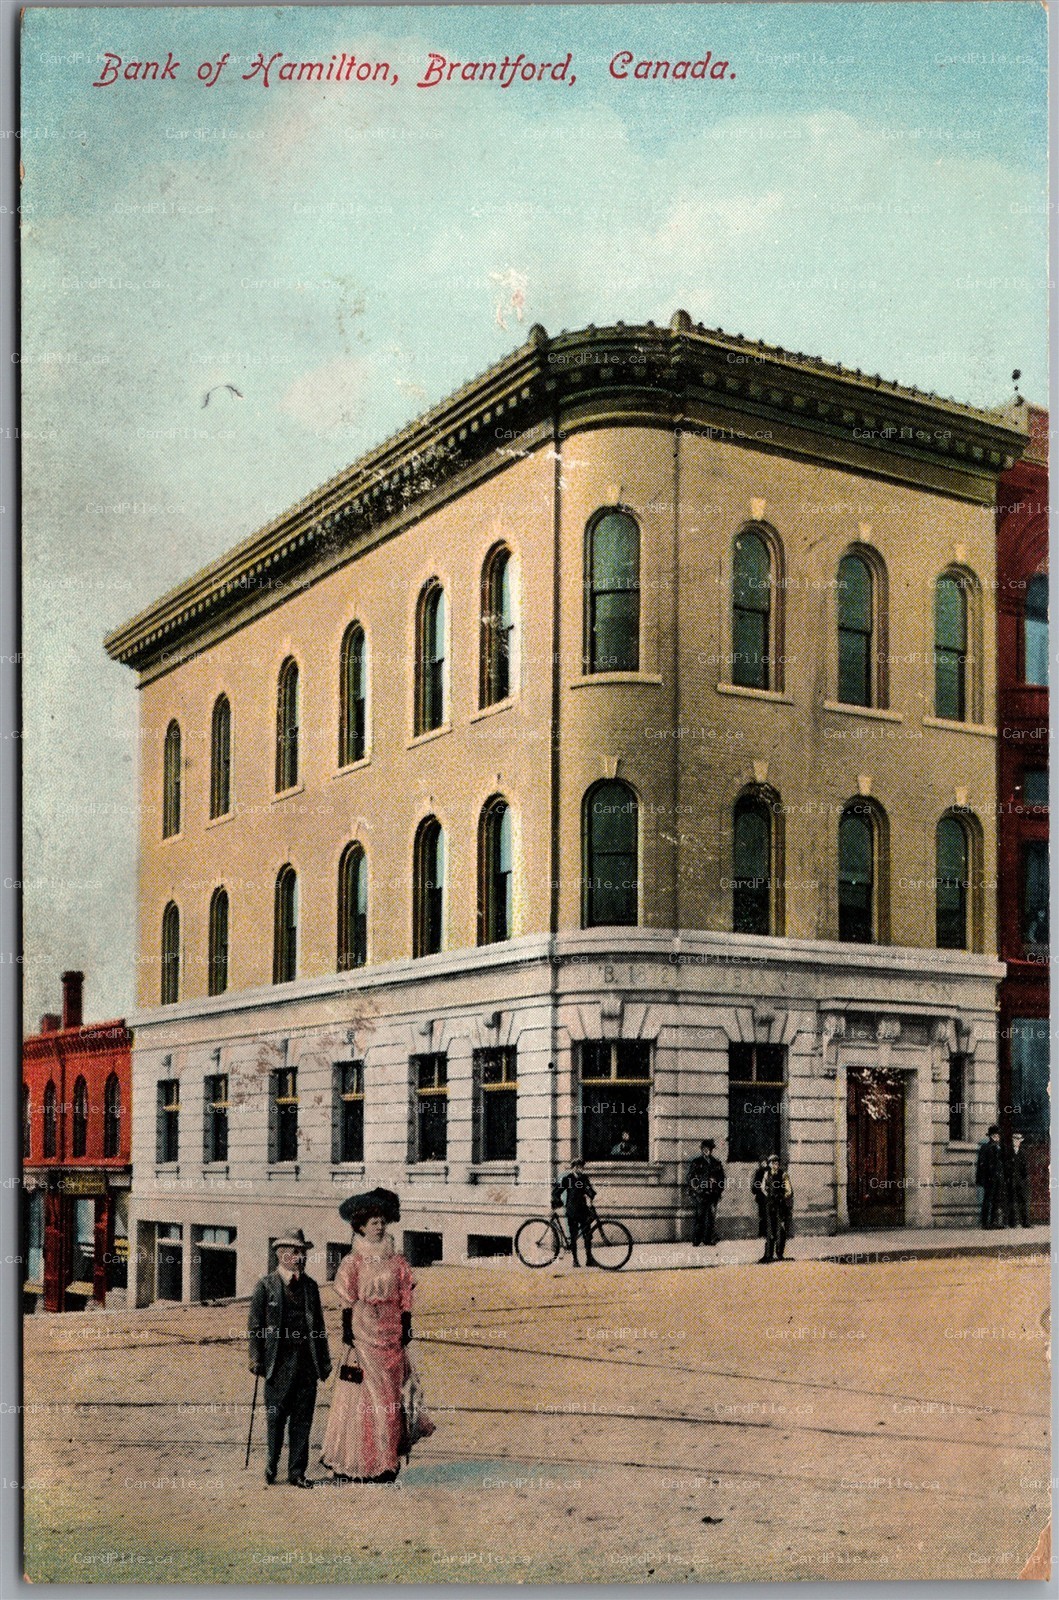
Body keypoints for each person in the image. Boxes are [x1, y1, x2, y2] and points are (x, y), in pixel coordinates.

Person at [321, 1190, 431, 1484]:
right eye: (373, 1223)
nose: (379, 1227)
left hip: (391, 1334)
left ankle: (386, 1463)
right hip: (363, 1331)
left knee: (389, 1399)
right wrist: (347, 1333)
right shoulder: (353, 1262)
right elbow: (347, 1301)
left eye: (382, 1222)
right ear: (360, 1227)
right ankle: (359, 1461)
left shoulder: (397, 1262)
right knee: (362, 1398)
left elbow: (405, 1297)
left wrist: (406, 1326)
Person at [248, 1226, 332, 1488]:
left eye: (302, 1252)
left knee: (302, 1419)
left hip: (307, 1364)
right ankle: (271, 1465)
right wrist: (255, 1358)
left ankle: (297, 1472)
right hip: (277, 1363)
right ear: (281, 1254)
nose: (300, 1257)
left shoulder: (310, 1287)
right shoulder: (266, 1286)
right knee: (276, 1417)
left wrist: (325, 1361)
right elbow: (255, 1326)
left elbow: (318, 1327)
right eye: (295, 1252)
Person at [557, 1158, 596, 1267]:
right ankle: (575, 1260)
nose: (581, 1169)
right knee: (573, 1236)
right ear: (573, 1167)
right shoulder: (568, 1179)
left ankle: (589, 1259)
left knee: (587, 1235)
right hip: (572, 1211)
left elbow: (589, 1189)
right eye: (579, 1166)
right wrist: (558, 1202)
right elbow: (556, 1192)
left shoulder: (584, 1178)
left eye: (582, 1166)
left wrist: (591, 1194)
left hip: (583, 1210)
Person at [686, 1139, 726, 1246]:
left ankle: (708, 1239)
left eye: (708, 1149)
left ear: (711, 1150)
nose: (706, 1151)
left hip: (713, 1194)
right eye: (704, 1149)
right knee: (700, 1216)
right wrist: (697, 1189)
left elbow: (721, 1179)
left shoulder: (716, 1163)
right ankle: (696, 1240)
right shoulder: (696, 1162)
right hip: (701, 1194)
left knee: (711, 1217)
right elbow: (691, 1177)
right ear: (702, 1150)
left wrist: (718, 1191)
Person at [759, 1156, 793, 1264]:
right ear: (770, 1164)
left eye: (776, 1163)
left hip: (779, 1205)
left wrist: (781, 1197)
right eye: (773, 1163)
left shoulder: (783, 1174)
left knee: (779, 1230)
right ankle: (768, 1255)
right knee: (770, 1229)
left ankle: (779, 1253)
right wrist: (768, 1195)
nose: (775, 1165)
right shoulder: (767, 1174)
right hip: (770, 1205)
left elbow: (789, 1191)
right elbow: (762, 1187)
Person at [975, 1124, 1005, 1229]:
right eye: (995, 1135)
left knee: (996, 1200)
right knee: (987, 1200)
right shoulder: (986, 1147)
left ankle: (993, 1222)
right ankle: (985, 1223)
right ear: (991, 1136)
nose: (997, 1137)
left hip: (998, 1178)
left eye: (998, 1135)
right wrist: (982, 1179)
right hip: (989, 1179)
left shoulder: (999, 1147)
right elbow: (982, 1164)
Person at [1005, 1131, 1031, 1227]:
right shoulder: (1008, 1152)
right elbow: (1006, 1166)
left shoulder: (1022, 1152)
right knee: (1011, 1201)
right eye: (1015, 1140)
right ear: (1012, 1141)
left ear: (1020, 1141)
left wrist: (1024, 1180)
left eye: (1018, 1140)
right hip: (1011, 1180)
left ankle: (1025, 1223)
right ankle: (1012, 1223)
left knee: (1023, 1201)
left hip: (1020, 1181)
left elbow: (1025, 1168)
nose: (1016, 1142)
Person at [750, 1157, 770, 1240]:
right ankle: (762, 1232)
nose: (763, 1164)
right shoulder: (758, 1172)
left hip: (769, 1196)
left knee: (769, 1214)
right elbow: (755, 1184)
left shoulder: (770, 1172)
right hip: (761, 1197)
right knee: (762, 1214)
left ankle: (768, 1232)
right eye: (762, 1162)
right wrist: (757, 1191)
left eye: (765, 1162)